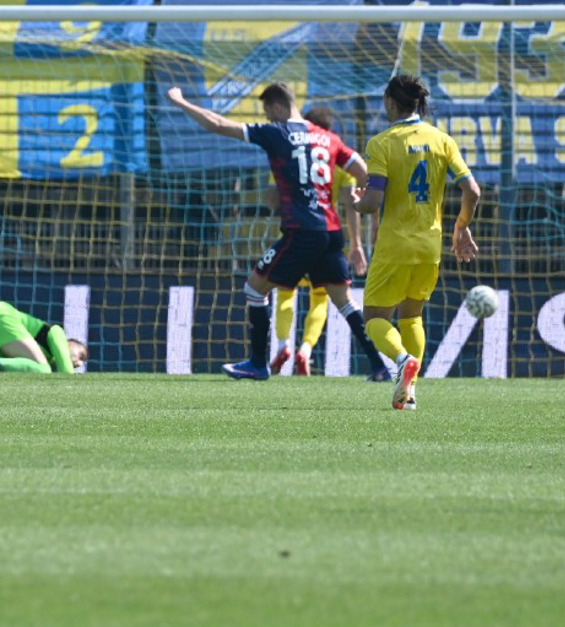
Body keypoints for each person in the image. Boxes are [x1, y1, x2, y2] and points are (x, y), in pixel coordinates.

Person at [167, 82, 389, 381]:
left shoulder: (277, 132)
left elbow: (217, 124)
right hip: (329, 230)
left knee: (254, 288)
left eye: (268, 112)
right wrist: (369, 196)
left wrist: (180, 101)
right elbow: (360, 167)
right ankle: (379, 366)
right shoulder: (328, 138)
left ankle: (258, 363)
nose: (269, 118)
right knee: (344, 301)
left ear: (277, 106)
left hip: (301, 231)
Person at [353, 74, 481, 410]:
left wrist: (354, 202)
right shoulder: (442, 140)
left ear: (391, 102)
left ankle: (401, 359)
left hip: (395, 246)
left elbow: (372, 203)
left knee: (374, 317)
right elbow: (472, 190)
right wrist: (462, 227)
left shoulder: (381, 143)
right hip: (430, 246)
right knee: (412, 317)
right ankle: (409, 393)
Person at [268, 106, 369, 376]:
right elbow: (350, 204)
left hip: (294, 233)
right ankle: (306, 350)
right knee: (320, 298)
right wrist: (357, 244)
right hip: (325, 236)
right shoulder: (337, 156)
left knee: (284, 292)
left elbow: (272, 197)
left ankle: (283, 345)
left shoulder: (288, 151)